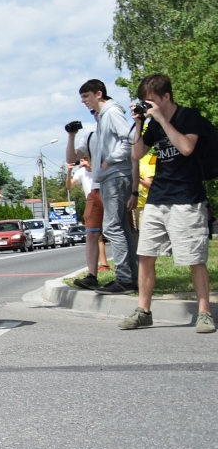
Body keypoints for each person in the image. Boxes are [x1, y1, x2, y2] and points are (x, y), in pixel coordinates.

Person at [118, 74, 214, 333]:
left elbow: (185, 148)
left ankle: (204, 313)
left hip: (187, 198)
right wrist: (139, 124)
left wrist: (160, 119)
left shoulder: (188, 116)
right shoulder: (152, 124)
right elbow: (137, 154)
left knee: (195, 257)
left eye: (150, 101)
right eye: (144, 102)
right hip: (158, 198)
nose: (147, 106)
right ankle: (143, 311)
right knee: (146, 254)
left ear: (166, 97)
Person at [79, 79, 138, 295]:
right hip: (111, 177)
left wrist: (109, 160)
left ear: (99, 94)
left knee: (113, 228)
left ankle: (124, 279)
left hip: (115, 176)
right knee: (122, 228)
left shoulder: (112, 112)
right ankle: (131, 278)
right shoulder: (103, 116)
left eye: (86, 96)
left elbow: (130, 138)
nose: (84, 101)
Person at [67, 150, 105, 290]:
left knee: (118, 232)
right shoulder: (81, 172)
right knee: (92, 234)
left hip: (107, 193)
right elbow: (69, 186)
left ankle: (127, 274)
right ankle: (92, 277)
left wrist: (92, 165)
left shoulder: (101, 164)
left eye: (85, 159)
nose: (82, 162)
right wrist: (69, 172)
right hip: (92, 198)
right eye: (81, 160)